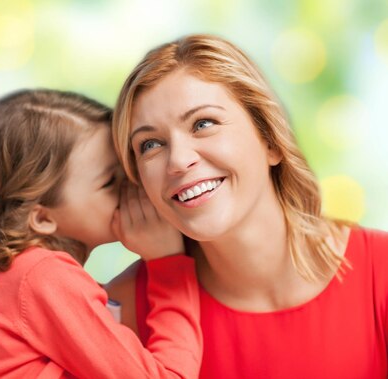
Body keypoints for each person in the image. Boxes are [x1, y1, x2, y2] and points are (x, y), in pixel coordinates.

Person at [107, 34, 388, 378]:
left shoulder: (381, 272)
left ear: (270, 140)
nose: (178, 161)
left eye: (203, 124)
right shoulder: (123, 307)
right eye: (150, 144)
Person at [0, 89, 203, 378]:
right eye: (111, 181)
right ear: (41, 217)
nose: (132, 185)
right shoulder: (42, 276)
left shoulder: (25, 277)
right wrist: (168, 263)